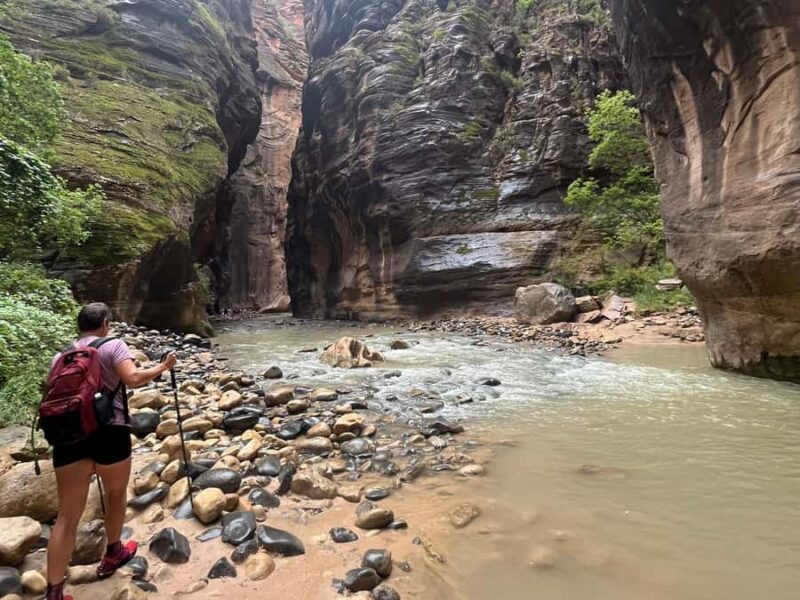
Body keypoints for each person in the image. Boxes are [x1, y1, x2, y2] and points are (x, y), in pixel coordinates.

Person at [45, 303, 177, 600]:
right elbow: (132, 378)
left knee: (66, 516)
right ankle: (113, 552)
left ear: (80, 326)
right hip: (109, 430)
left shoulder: (61, 356)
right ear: (104, 324)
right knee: (115, 494)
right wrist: (163, 367)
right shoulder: (112, 345)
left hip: (69, 436)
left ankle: (54, 591)